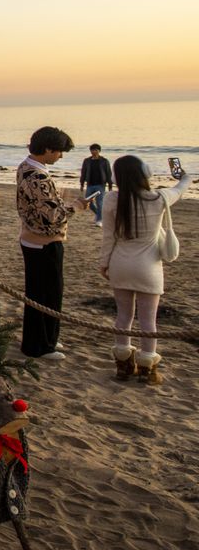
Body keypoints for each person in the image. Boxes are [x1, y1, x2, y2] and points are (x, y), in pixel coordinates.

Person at [98, 156, 190, 386]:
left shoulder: (111, 199)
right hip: (148, 266)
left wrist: (104, 262)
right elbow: (180, 189)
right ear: (145, 174)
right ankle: (148, 370)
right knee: (148, 321)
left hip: (120, 263)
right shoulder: (159, 198)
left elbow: (108, 237)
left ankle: (123, 366)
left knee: (123, 316)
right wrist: (183, 176)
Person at [16, 125, 86, 360]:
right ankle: (40, 344)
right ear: (47, 149)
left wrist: (59, 200)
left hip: (32, 237)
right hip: (43, 240)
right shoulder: (38, 176)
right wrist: (75, 207)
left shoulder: (26, 167)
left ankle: (47, 338)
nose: (61, 156)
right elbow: (52, 216)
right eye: (59, 151)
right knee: (46, 294)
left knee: (41, 292)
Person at [80, 143, 113, 228]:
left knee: (99, 203)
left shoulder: (104, 161)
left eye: (96, 150)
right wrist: (82, 184)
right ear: (90, 151)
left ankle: (99, 220)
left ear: (99, 151)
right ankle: (99, 215)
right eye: (92, 150)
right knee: (88, 203)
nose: (94, 151)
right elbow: (83, 172)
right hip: (90, 184)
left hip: (100, 185)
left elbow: (108, 173)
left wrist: (110, 184)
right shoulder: (87, 161)